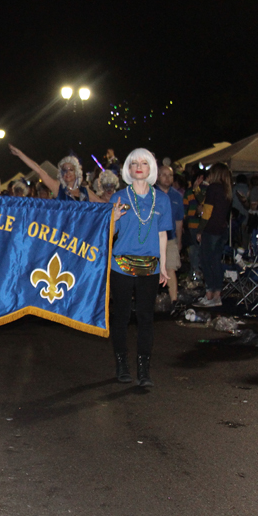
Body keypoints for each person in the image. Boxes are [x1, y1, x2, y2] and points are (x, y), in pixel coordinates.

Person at [109, 148, 171, 387]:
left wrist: (164, 267)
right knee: (122, 316)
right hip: (121, 266)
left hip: (151, 268)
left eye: (144, 163)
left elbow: (163, 235)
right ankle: (122, 364)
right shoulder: (119, 197)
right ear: (128, 168)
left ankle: (144, 369)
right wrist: (112, 218)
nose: (138, 166)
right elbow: (110, 233)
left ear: (150, 168)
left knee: (146, 318)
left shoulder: (162, 199)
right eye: (134, 162)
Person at [9, 144, 107, 202]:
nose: (67, 172)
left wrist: (118, 205)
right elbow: (39, 170)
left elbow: (102, 204)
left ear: (77, 172)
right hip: (62, 234)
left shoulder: (85, 191)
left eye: (70, 169)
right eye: (65, 170)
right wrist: (20, 154)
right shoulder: (58, 188)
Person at [194, 163, 232, 307]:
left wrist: (200, 230)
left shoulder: (213, 187)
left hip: (211, 230)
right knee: (215, 262)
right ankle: (216, 295)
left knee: (206, 261)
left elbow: (207, 211)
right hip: (222, 230)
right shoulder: (226, 190)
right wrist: (196, 189)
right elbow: (205, 202)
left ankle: (209, 293)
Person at [156, 164, 184, 313]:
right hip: (152, 239)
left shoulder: (177, 196)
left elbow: (179, 221)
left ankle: (174, 302)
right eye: (164, 174)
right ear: (157, 176)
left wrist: (179, 241)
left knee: (171, 268)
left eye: (170, 175)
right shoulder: (151, 194)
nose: (167, 178)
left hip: (170, 238)